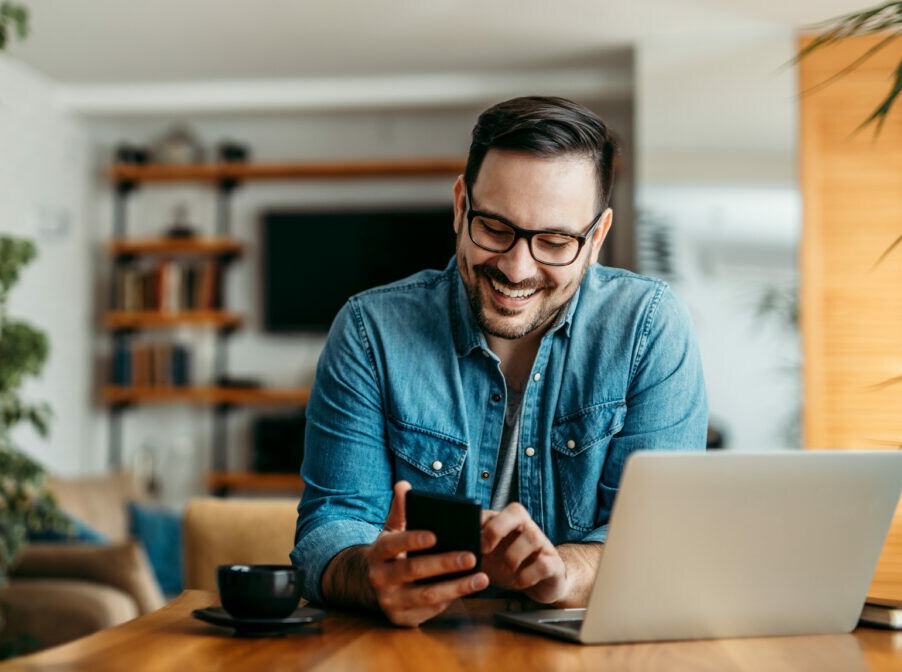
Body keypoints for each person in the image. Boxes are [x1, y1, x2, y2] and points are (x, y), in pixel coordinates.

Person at [290, 96, 708, 627]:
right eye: (494, 228)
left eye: (555, 241)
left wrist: (564, 572)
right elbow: (329, 530)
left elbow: (660, 541)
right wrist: (370, 574)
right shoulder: (370, 331)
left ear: (596, 237)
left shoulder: (650, 328)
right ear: (461, 205)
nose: (516, 268)